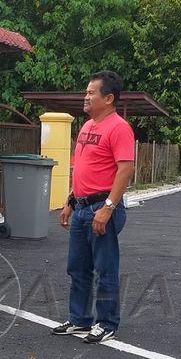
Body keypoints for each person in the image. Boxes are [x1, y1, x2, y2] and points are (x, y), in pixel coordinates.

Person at [51, 71, 136, 344]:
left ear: (108, 98)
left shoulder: (119, 127)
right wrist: (70, 202)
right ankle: (79, 319)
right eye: (86, 92)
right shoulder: (88, 127)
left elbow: (125, 170)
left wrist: (109, 207)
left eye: (91, 93)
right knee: (78, 268)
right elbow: (86, 170)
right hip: (83, 207)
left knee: (105, 269)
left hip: (102, 208)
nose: (85, 97)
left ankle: (107, 322)